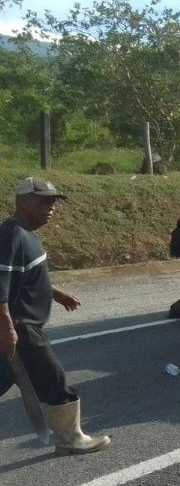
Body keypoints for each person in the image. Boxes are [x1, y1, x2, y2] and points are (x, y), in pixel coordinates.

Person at [0, 177, 111, 454]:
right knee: (56, 381)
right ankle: (70, 439)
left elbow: (25, 278)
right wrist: (7, 327)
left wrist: (56, 293)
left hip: (21, 325)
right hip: (21, 326)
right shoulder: (11, 234)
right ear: (24, 202)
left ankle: (69, 438)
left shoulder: (25, 233)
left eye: (54, 202)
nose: (52, 207)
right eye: (44, 202)